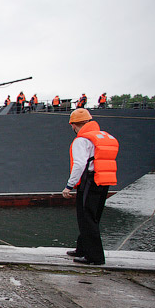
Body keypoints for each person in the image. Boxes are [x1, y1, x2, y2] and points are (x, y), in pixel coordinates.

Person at [61, 109, 119, 266]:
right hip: (103, 181)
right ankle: (82, 248)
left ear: (74, 125)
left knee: (86, 218)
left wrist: (69, 186)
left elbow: (79, 164)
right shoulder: (102, 137)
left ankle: (95, 257)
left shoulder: (81, 140)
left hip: (90, 181)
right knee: (92, 217)